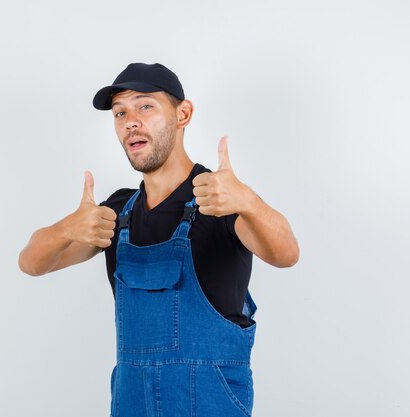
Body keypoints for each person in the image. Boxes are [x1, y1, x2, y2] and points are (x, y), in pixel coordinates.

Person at [18, 63, 299, 417]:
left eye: (145, 106)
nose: (130, 121)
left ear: (183, 114)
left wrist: (249, 202)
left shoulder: (218, 199)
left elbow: (287, 253)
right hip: (131, 403)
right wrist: (66, 229)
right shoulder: (116, 215)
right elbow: (31, 263)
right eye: (120, 112)